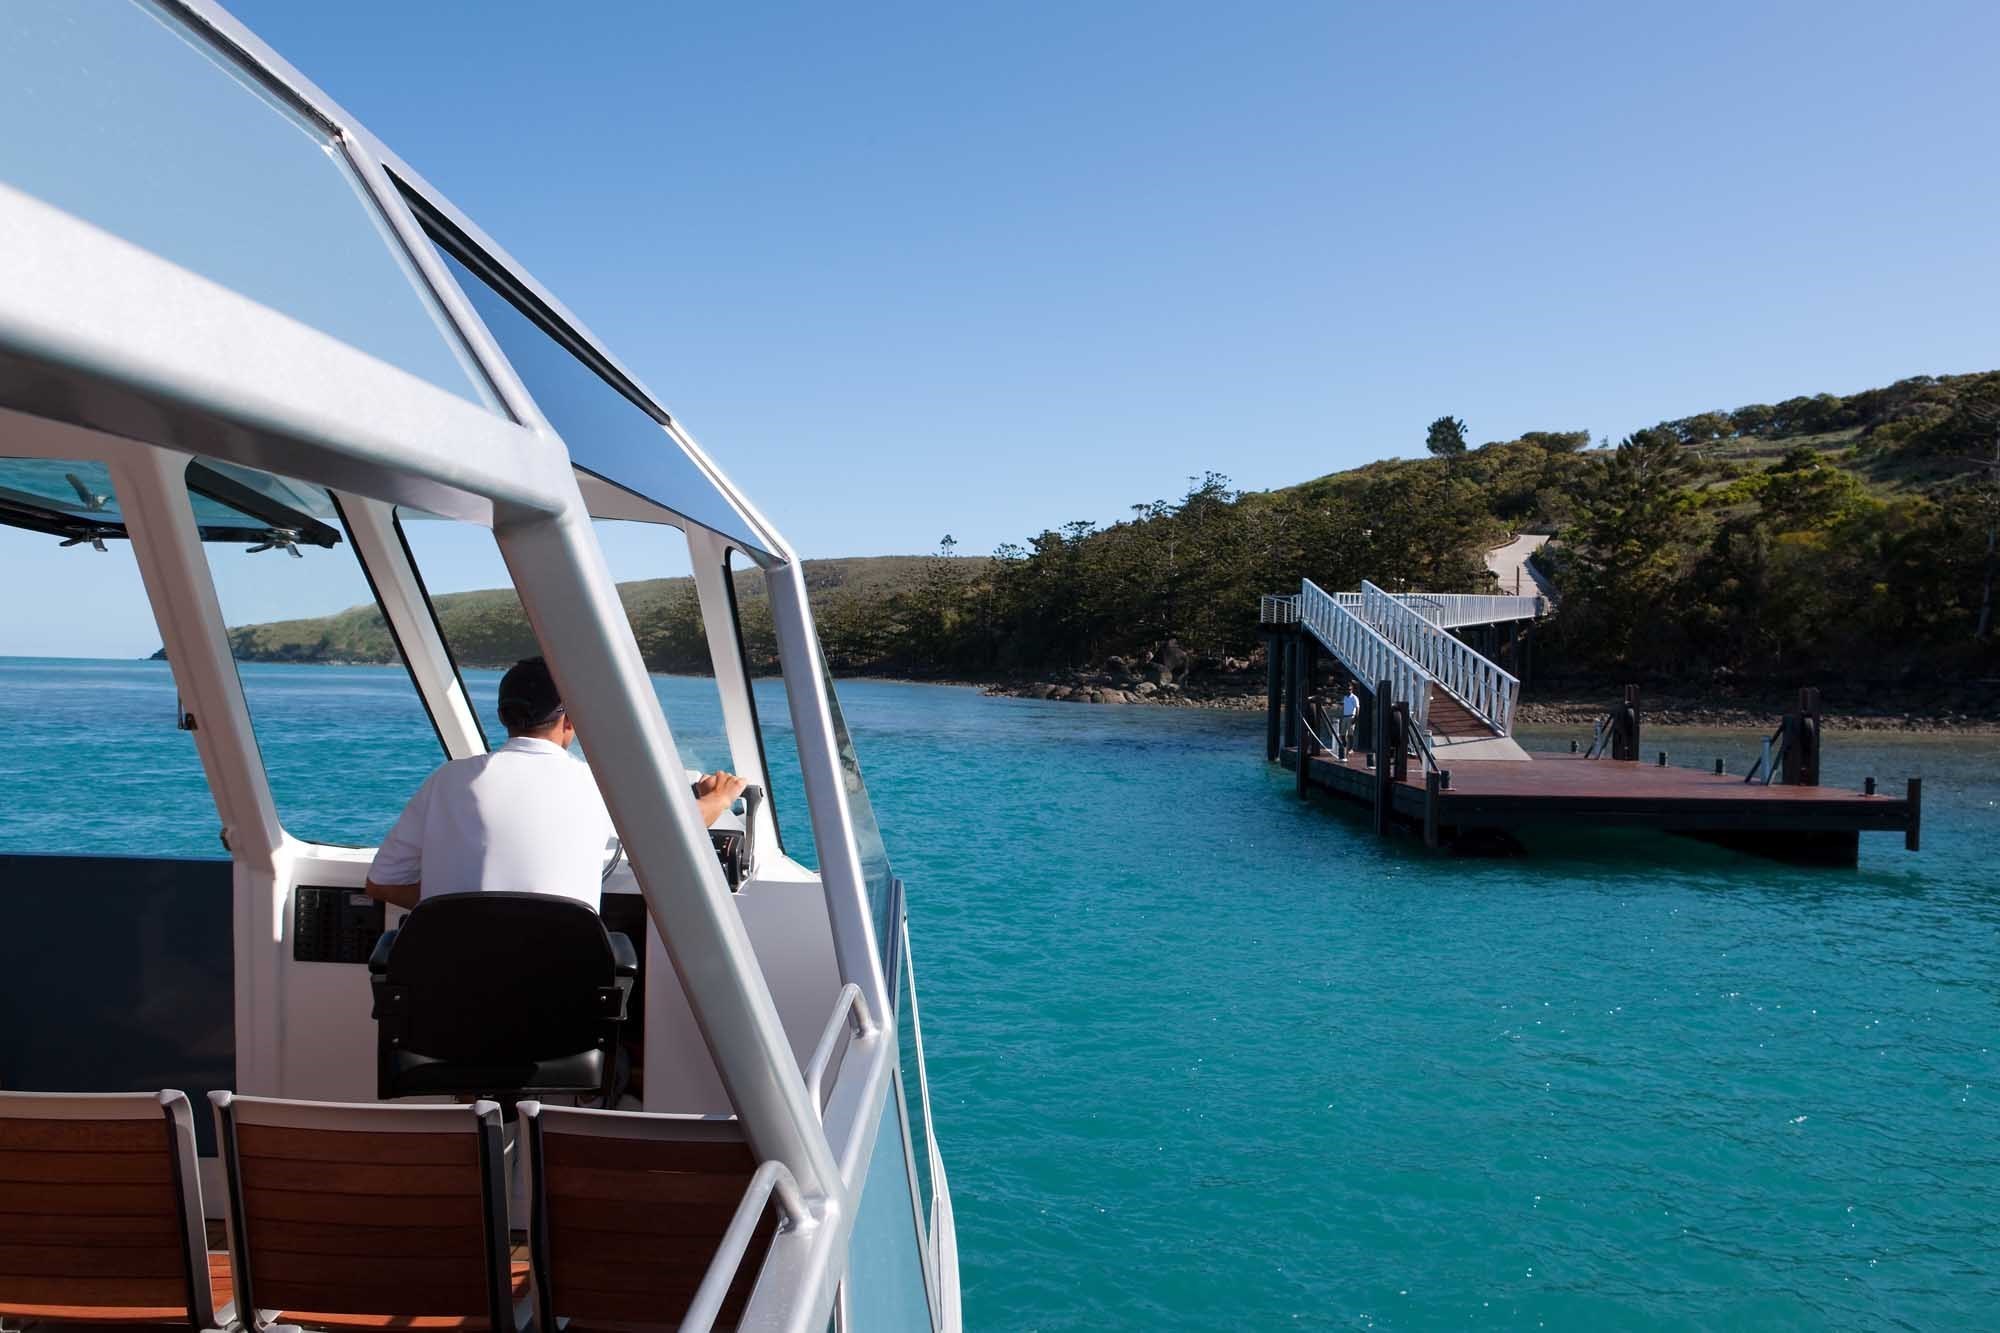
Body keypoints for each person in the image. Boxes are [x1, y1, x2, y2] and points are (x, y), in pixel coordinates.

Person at [365, 656, 747, 912]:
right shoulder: (596, 786)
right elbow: (674, 837)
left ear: (503, 716)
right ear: (570, 720)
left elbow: (382, 883)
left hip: (447, 989)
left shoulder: (447, 779)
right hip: (559, 991)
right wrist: (719, 797)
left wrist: (461, 910)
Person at [1339, 683, 1361, 750]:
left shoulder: (1354, 697)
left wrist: (1355, 718)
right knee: (1342, 733)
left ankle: (1351, 748)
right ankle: (1345, 746)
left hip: (1351, 717)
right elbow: (1344, 707)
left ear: (1352, 690)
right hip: (1345, 717)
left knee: (1350, 734)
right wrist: (1341, 716)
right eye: (1347, 689)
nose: (1348, 691)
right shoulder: (1345, 697)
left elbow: (1357, 708)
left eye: (1350, 689)